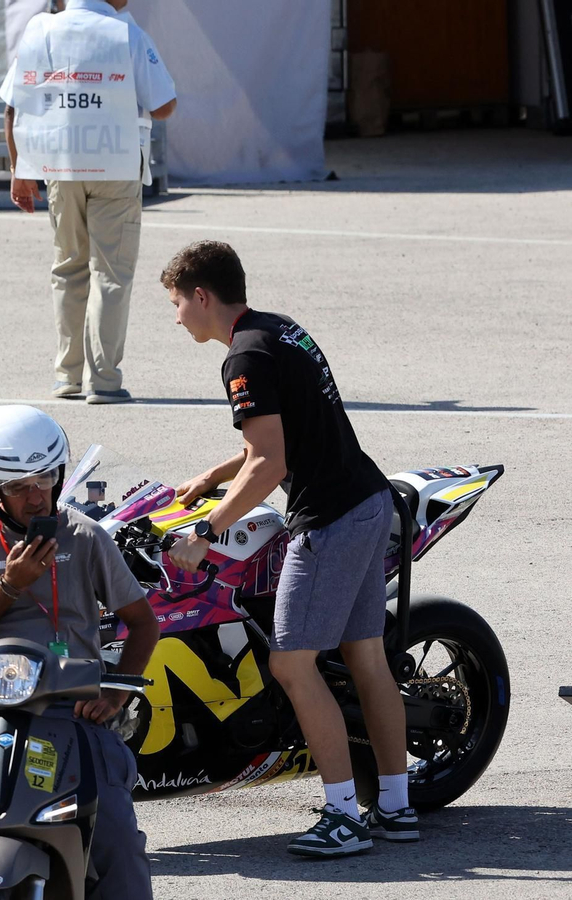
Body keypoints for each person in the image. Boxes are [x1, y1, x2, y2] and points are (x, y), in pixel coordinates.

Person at [160, 240, 415, 856]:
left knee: (291, 664)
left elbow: (270, 462)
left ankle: (344, 818)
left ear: (202, 295)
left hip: (330, 520)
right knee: (366, 656)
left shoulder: (242, 359)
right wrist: (216, 475)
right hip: (367, 500)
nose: (175, 318)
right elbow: (287, 431)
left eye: (175, 303)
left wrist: (207, 529)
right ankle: (398, 807)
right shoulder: (277, 329)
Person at [0, 405, 160, 900]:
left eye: (45, 479)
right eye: (19, 486)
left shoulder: (86, 536)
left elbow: (143, 623)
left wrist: (115, 696)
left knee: (115, 837)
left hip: (70, 705)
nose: (37, 496)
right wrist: (9, 585)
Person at [0, 0, 177, 404]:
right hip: (115, 164)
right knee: (111, 274)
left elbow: (13, 107)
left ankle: (68, 376)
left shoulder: (41, 30)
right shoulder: (127, 32)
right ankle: (104, 381)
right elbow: (165, 106)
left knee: (68, 269)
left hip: (59, 165)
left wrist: (19, 168)